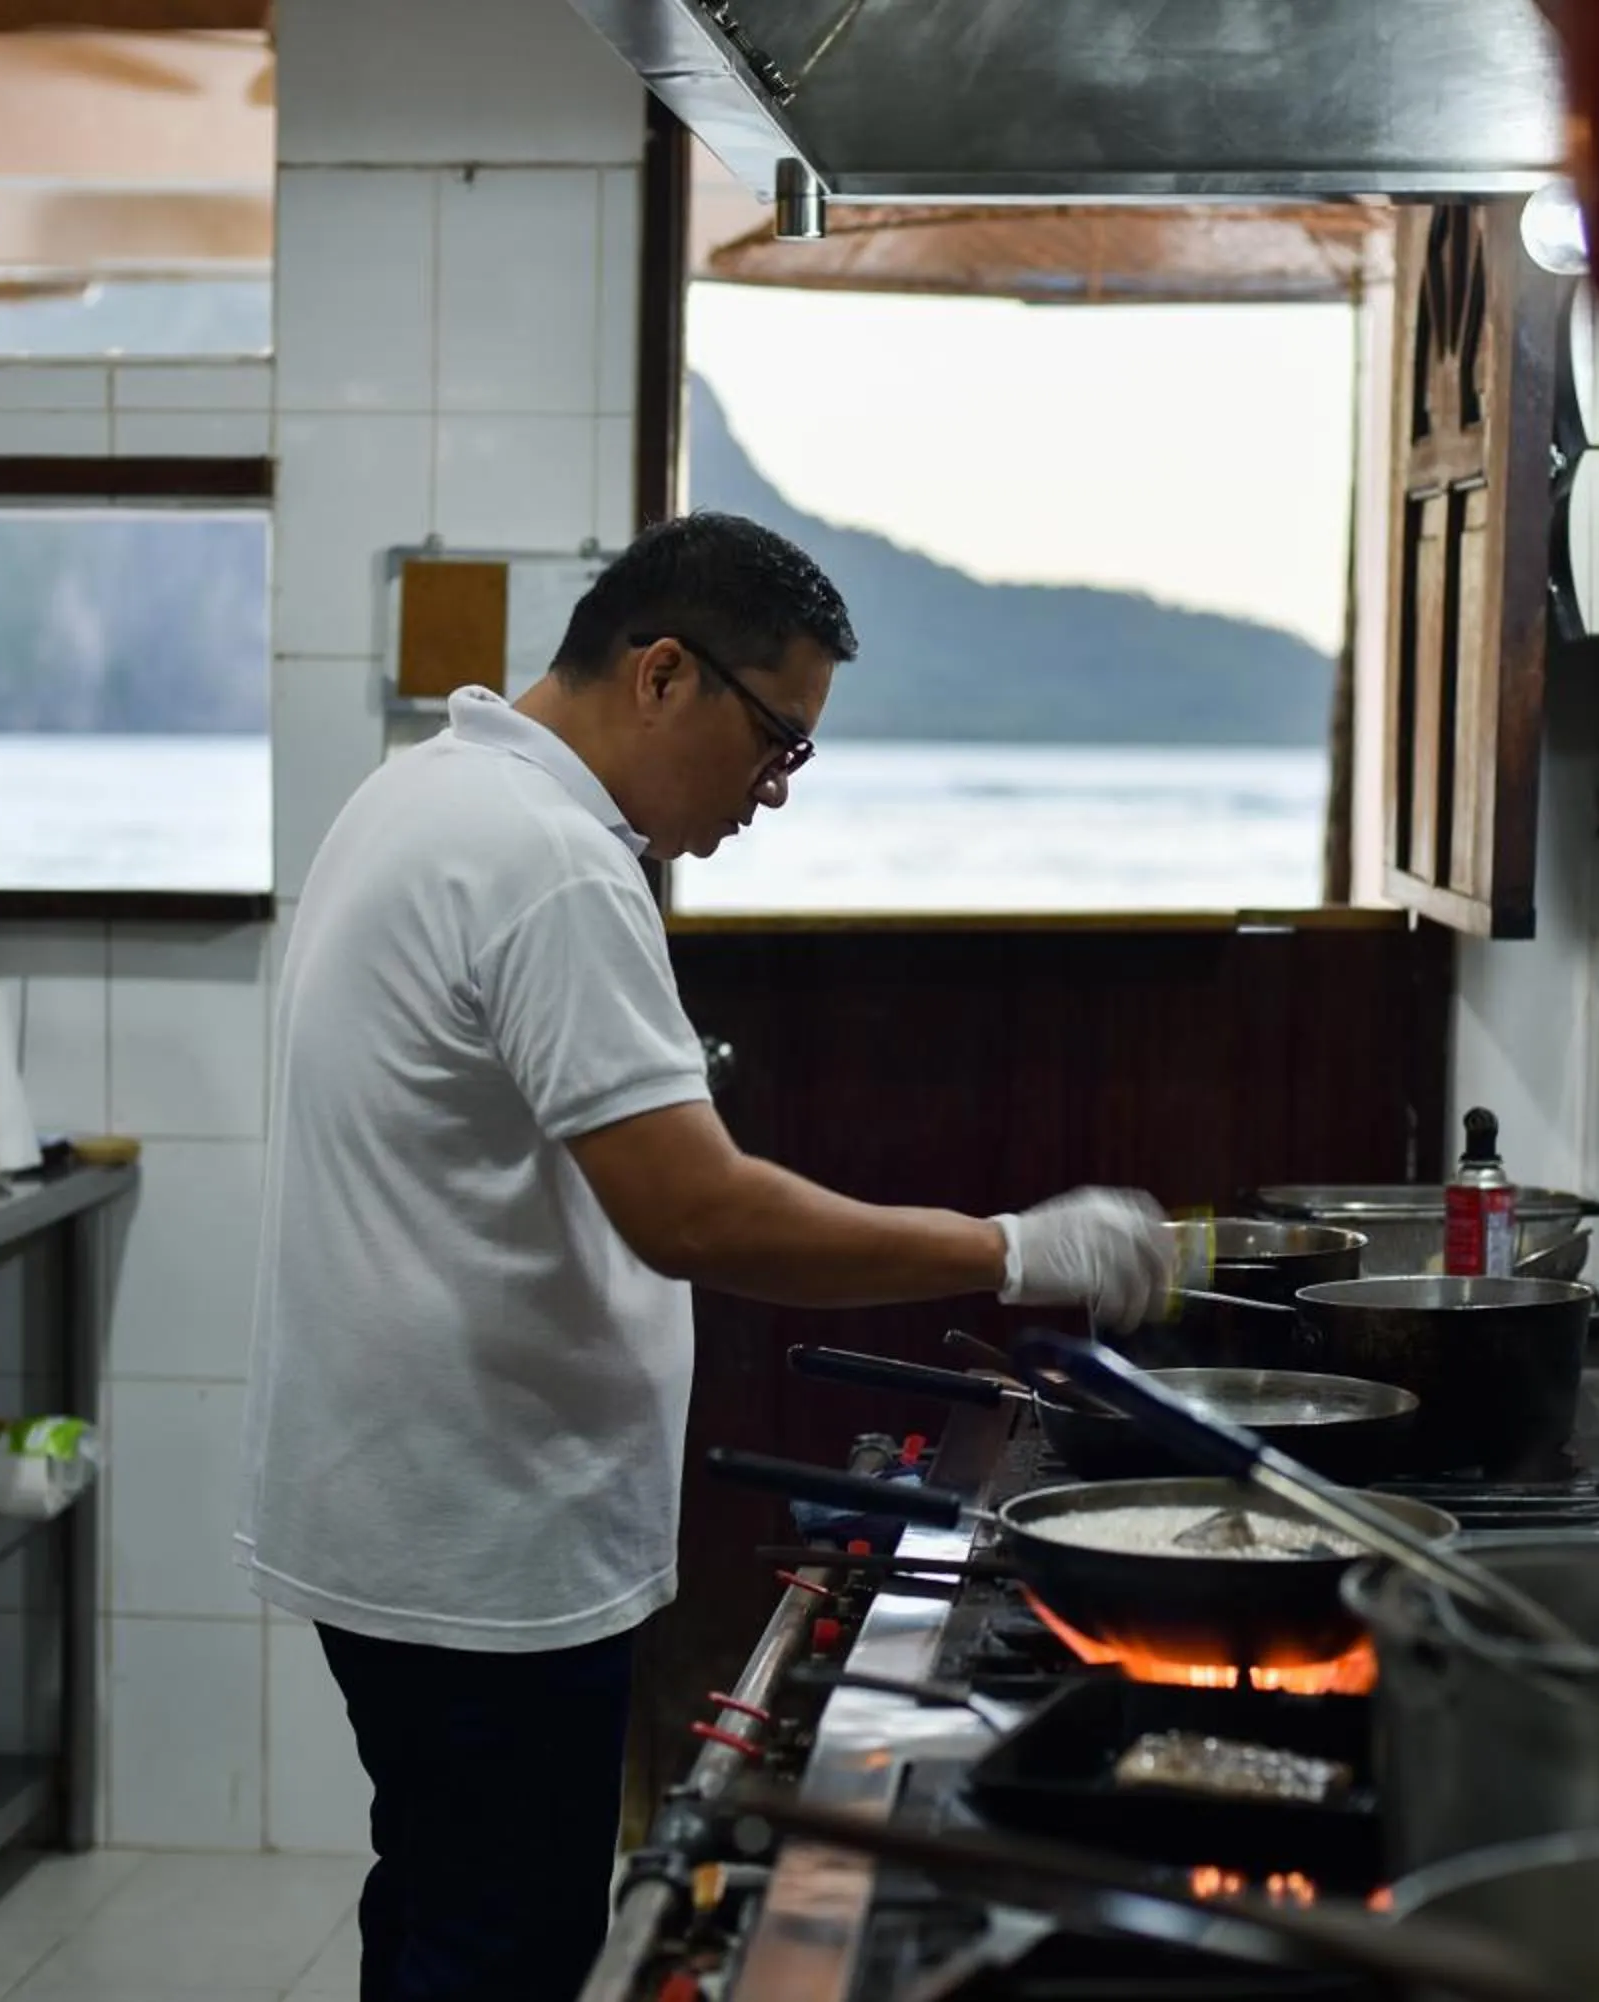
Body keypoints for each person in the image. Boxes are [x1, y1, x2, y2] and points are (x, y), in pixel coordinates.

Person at [236, 512, 1174, 2002]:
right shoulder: (549, 864)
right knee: (507, 1947)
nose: (775, 792)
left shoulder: (426, 793)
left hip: (401, 1506)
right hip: (483, 1530)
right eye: (774, 741)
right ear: (663, 672)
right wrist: (1015, 1247)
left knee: (433, 1896)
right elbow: (700, 1212)